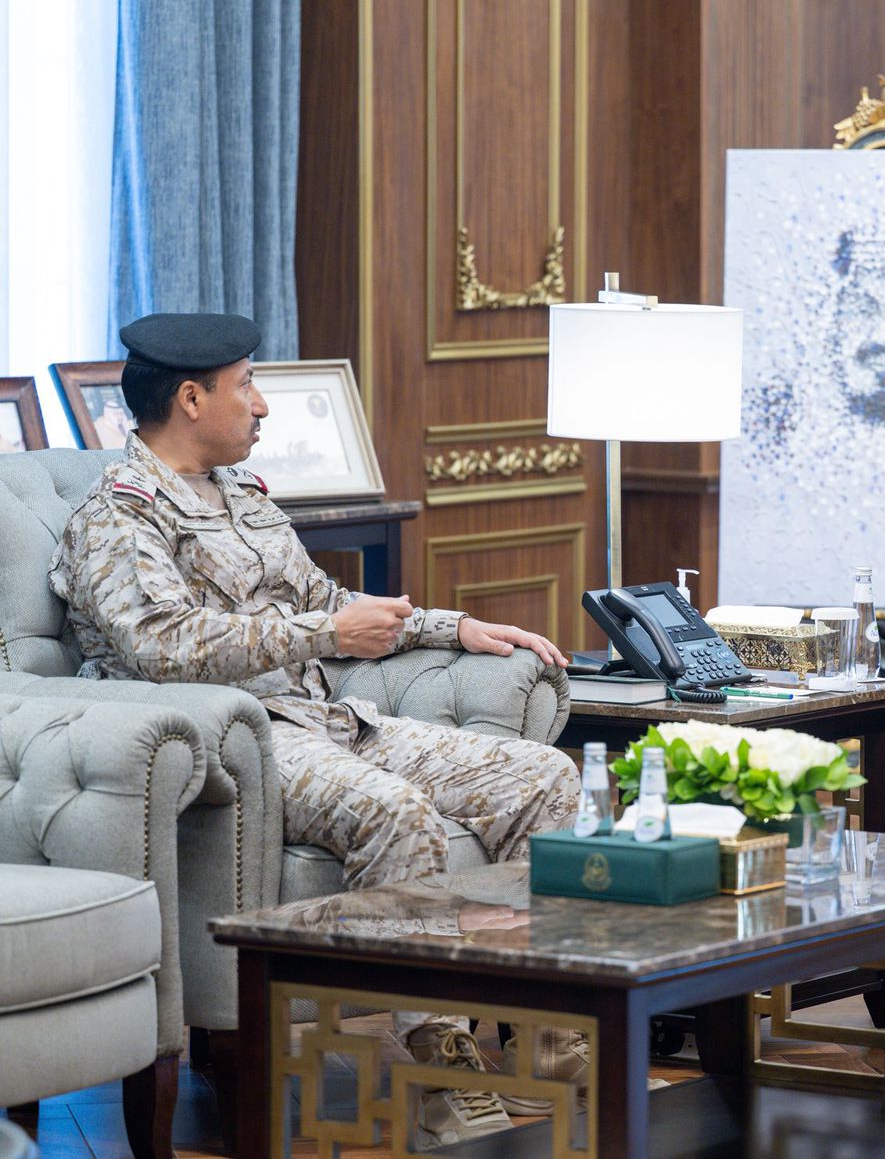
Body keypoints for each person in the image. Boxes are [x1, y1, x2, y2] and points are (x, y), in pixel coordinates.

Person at [49, 312, 581, 1145]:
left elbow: (324, 601)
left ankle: (543, 1034)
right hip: (240, 742)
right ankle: (439, 1063)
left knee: (544, 778)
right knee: (395, 813)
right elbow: (161, 645)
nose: (262, 405)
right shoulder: (119, 517)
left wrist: (451, 628)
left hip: (326, 718)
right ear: (191, 398)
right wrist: (324, 635)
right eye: (246, 386)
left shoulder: (241, 495)